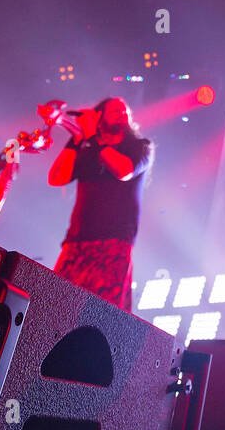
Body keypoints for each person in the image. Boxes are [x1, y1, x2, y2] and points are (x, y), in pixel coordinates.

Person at [47, 97, 153, 311]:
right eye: (115, 110)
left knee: (102, 313)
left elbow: (123, 171)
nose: (122, 114)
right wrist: (76, 138)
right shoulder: (88, 150)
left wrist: (92, 136)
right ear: (99, 117)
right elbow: (56, 177)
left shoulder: (139, 147)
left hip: (113, 242)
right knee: (58, 308)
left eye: (125, 111)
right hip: (76, 242)